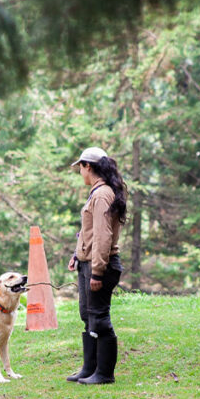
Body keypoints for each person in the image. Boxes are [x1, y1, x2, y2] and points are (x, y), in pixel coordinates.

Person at [66, 145, 127, 384]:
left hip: (99, 265)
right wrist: (77, 254)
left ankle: (104, 373)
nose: (80, 173)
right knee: (87, 315)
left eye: (80, 168)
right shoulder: (97, 193)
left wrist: (98, 272)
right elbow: (89, 232)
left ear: (87, 166)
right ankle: (89, 369)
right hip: (88, 262)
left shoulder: (102, 195)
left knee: (99, 318)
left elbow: (103, 236)